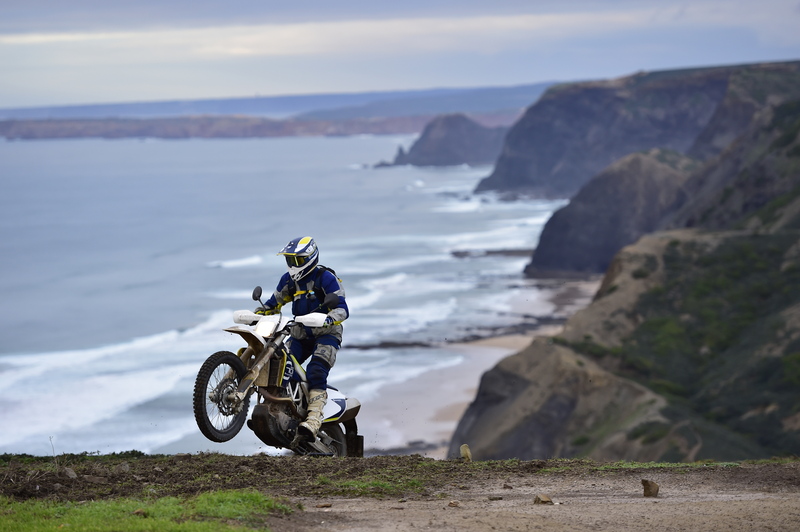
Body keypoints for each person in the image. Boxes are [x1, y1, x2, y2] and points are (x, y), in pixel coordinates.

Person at [255, 236, 349, 444]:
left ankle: (314, 419)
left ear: (310, 258)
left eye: (296, 260)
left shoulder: (326, 278)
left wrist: (328, 319)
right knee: (279, 364)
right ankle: (280, 411)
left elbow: (342, 308)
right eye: (289, 260)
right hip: (299, 333)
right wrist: (261, 312)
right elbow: (274, 303)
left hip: (327, 334)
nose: (292, 265)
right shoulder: (288, 280)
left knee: (316, 370)